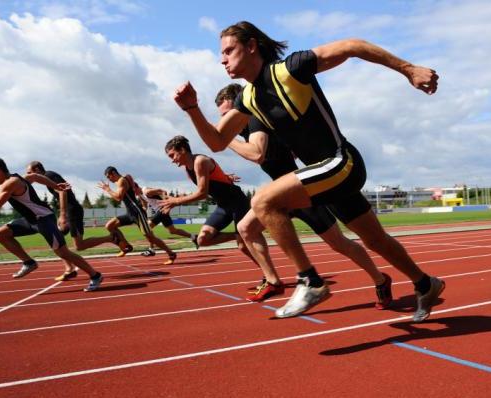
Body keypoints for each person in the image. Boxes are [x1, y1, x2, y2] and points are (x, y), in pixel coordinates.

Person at [173, 21, 444, 322]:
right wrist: (192, 109)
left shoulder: (290, 69)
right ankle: (425, 283)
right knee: (375, 240)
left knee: (263, 201)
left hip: (342, 162)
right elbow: (217, 141)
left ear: (251, 46)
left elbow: (352, 45)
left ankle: (310, 281)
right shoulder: (248, 98)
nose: (222, 59)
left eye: (228, 51)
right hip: (323, 174)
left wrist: (408, 69)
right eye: (221, 54)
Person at [215, 83, 392, 305]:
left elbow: (256, 153)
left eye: (226, 115)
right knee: (245, 228)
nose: (224, 123)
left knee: (339, 243)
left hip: (302, 192)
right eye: (221, 117)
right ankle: (273, 281)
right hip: (279, 197)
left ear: (238, 107)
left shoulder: (253, 119)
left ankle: (380, 279)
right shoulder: (249, 127)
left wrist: (226, 139)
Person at [0, 157, 103, 291]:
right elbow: (35, 177)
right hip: (31, 220)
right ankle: (29, 262)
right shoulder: (19, 178)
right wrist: (56, 186)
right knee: (1, 234)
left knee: (63, 252)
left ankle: (95, 275)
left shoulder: (11, 183)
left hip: (44, 219)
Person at [160, 135, 271, 271]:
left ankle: (268, 274)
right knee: (203, 239)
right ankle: (239, 235)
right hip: (223, 206)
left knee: (243, 247)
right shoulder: (188, 168)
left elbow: (202, 193)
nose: (172, 161)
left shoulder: (200, 161)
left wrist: (176, 201)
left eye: (172, 155)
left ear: (182, 150)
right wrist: (226, 177)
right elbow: (211, 181)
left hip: (237, 203)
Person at [26, 161, 132, 280]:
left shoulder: (49, 175)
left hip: (73, 211)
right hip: (71, 210)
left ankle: (111, 238)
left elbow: (63, 192)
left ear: (37, 170)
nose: (28, 176)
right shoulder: (48, 178)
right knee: (56, 240)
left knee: (79, 246)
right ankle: (69, 269)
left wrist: (62, 215)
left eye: (29, 173)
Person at [98, 167, 177, 265]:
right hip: (129, 213)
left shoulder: (121, 181)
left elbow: (118, 198)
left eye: (108, 176)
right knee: (110, 225)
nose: (108, 179)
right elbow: (130, 179)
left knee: (151, 238)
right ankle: (126, 246)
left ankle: (171, 253)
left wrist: (108, 189)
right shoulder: (123, 178)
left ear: (113, 173)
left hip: (137, 213)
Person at [135, 184, 198, 257]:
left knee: (147, 228)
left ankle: (151, 249)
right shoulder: (140, 195)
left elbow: (162, 191)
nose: (134, 194)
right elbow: (145, 205)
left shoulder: (146, 191)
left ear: (136, 187)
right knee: (173, 231)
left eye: (133, 191)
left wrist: (167, 203)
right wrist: (144, 211)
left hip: (162, 210)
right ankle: (194, 237)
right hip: (160, 212)